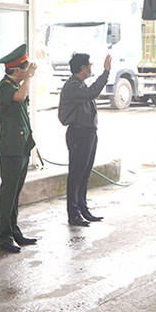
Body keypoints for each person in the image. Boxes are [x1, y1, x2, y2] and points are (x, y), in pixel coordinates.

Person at [57, 52, 112, 226]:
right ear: (82, 68)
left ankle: (83, 208)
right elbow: (92, 93)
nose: (90, 68)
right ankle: (74, 213)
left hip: (88, 133)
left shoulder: (80, 84)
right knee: (76, 174)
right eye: (89, 65)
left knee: (85, 173)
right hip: (78, 134)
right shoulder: (73, 86)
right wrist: (106, 73)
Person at [0, 44, 39, 253]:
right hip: (10, 149)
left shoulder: (15, 86)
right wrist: (28, 77)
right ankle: (4, 236)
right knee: (8, 193)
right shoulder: (5, 87)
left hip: (21, 147)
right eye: (24, 68)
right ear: (16, 69)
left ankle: (14, 230)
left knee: (16, 193)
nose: (27, 72)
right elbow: (20, 97)